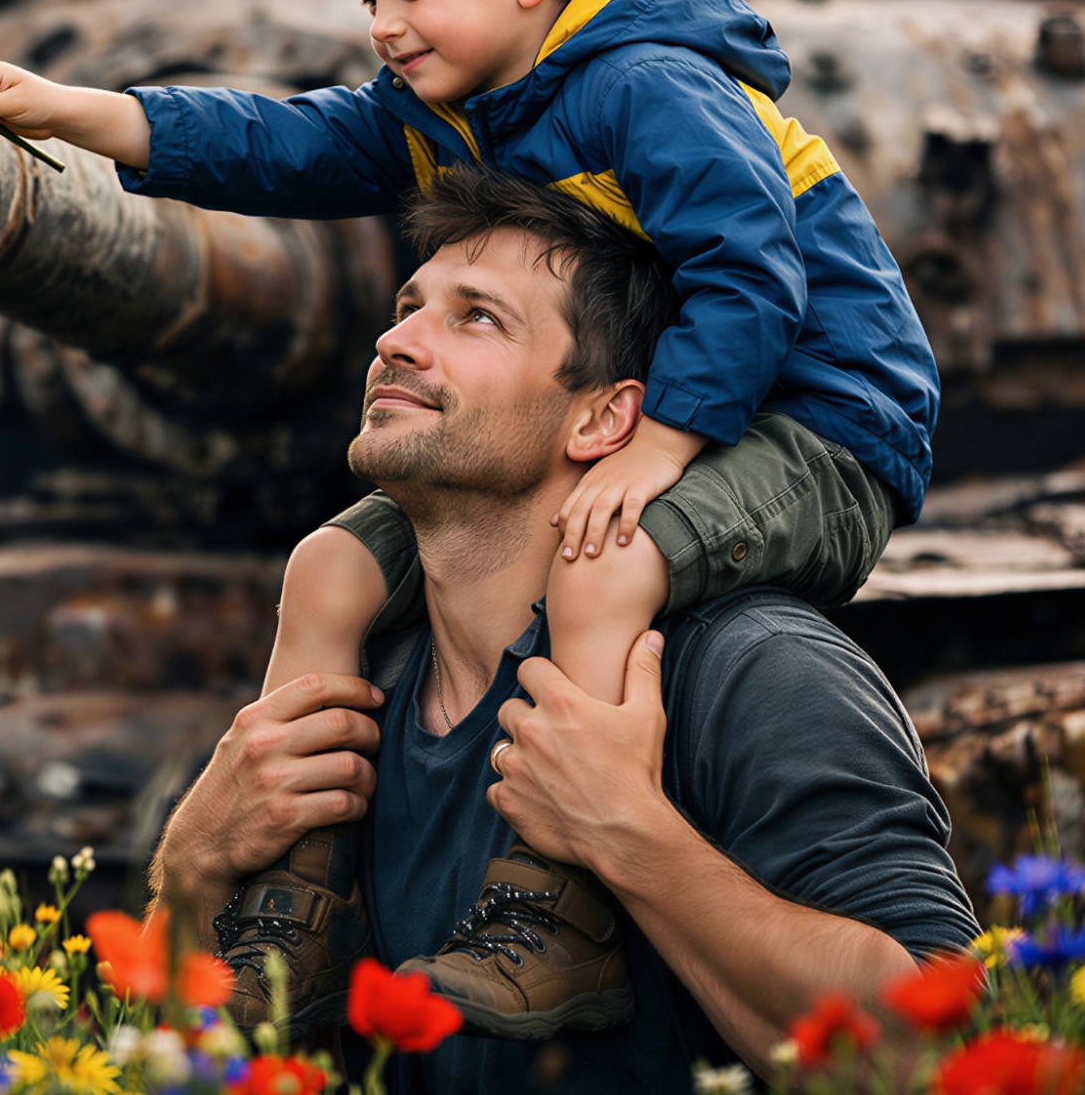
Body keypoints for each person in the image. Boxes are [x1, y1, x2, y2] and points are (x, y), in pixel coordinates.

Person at [0, 0, 939, 1035]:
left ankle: (554, 901)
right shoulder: (454, 110)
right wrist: (77, 114)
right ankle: (286, 906)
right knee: (329, 568)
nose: (381, 28)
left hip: (818, 414)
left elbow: (749, 271)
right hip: (666, 403)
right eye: (365, 1)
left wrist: (668, 442)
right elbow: (274, 146)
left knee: (604, 568)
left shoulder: (649, 84)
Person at [150, 170, 979, 1090]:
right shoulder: (356, 686)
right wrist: (191, 872)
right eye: (408, 305)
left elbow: (944, 1053)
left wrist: (627, 834)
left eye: (476, 318)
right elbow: (196, 1066)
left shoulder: (750, 672)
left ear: (604, 416)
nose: (394, 342)